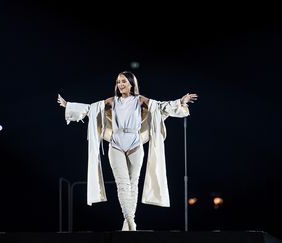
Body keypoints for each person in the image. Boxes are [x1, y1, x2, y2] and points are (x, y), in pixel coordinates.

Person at [57, 71, 198, 231]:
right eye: (118, 82)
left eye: (123, 81)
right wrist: (69, 105)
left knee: (133, 184)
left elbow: (160, 106)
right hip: (116, 144)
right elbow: (91, 109)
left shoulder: (139, 100)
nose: (120, 84)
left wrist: (181, 101)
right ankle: (130, 220)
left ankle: (129, 220)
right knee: (122, 184)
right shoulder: (112, 101)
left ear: (131, 83)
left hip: (135, 144)